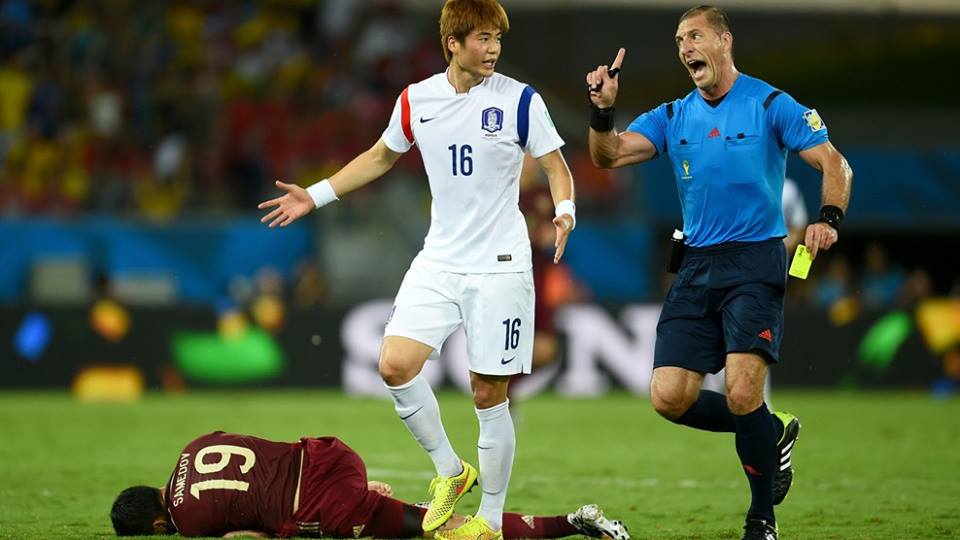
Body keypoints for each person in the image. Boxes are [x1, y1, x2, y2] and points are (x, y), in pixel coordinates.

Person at [257, 2, 576, 539]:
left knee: (486, 392)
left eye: (498, 37)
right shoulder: (416, 100)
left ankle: (491, 522)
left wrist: (564, 209)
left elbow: (555, 165)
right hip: (440, 258)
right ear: (452, 42)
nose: (494, 47)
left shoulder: (521, 100)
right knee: (394, 365)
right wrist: (314, 196)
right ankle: (451, 471)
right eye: (482, 37)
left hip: (500, 265)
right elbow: (381, 157)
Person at [584, 6, 852, 540]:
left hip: (756, 261)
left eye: (696, 36)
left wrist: (828, 220)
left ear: (724, 41)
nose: (685, 47)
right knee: (668, 397)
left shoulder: (769, 103)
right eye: (680, 39)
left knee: (741, 390)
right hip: (696, 266)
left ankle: (761, 520)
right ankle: (769, 431)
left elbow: (834, 163)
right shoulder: (672, 115)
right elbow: (607, 157)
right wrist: (603, 112)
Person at [110, 431, 629, 539]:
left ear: (157, 524)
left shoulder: (188, 522)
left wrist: (335, 511)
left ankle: (577, 522)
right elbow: (259, 451)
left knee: (442, 536)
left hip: (321, 504)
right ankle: (578, 522)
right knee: (430, 521)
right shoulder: (193, 446)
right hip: (326, 456)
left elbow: (250, 536)